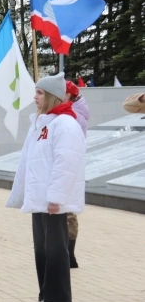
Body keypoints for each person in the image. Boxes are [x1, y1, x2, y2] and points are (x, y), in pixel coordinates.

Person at [7, 72, 85, 302]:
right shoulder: (43, 123)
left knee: (55, 250)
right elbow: (31, 161)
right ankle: (46, 296)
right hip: (40, 199)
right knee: (42, 249)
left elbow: (66, 163)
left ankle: (59, 300)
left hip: (53, 201)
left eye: (40, 93)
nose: (35, 97)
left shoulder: (65, 124)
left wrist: (56, 197)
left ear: (52, 96)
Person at [64, 81, 89, 268]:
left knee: (68, 211)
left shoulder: (74, 115)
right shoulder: (73, 111)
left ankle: (69, 254)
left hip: (69, 166)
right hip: (70, 165)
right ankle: (68, 253)